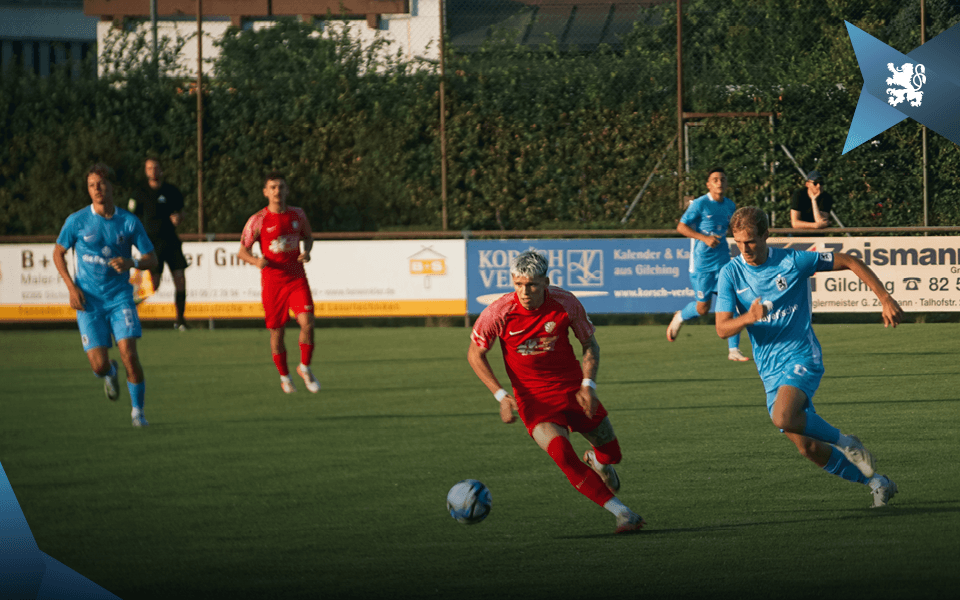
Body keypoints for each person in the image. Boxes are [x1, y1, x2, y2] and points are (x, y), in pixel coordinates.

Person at [715, 206, 902, 507]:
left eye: (750, 240)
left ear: (765, 235)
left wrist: (884, 297)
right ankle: (876, 482)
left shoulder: (793, 261)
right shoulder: (730, 273)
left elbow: (851, 261)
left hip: (802, 355)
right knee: (809, 449)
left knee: (783, 416)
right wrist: (748, 317)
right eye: (738, 242)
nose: (744, 248)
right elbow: (722, 328)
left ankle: (846, 442)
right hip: (769, 370)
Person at [467, 250, 645, 534]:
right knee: (561, 452)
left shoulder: (565, 303)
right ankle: (623, 513)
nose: (525, 292)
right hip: (534, 400)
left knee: (612, 454)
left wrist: (588, 385)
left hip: (574, 390)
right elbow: (475, 354)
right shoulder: (498, 312)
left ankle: (598, 461)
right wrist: (501, 395)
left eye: (533, 284)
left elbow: (590, 346)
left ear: (546, 282)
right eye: (519, 284)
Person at [53, 163, 158, 427]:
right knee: (99, 366)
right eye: (91, 185)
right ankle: (109, 373)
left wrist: (132, 263)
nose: (97, 189)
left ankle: (138, 413)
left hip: (120, 298)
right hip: (89, 302)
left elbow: (151, 258)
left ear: (111, 186)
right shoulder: (77, 221)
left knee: (129, 354)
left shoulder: (129, 221)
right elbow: (58, 253)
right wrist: (71, 287)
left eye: (101, 183)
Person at [237, 171, 321, 394]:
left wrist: (307, 251)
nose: (277, 191)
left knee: (308, 323)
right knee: (277, 333)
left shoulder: (298, 214)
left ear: (287, 190)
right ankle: (284, 376)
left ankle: (304, 367)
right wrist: (256, 260)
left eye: (281, 187)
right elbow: (242, 252)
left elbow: (308, 237)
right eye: (273, 187)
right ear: (265, 192)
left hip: (296, 278)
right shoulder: (258, 220)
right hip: (273, 284)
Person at [666, 167, 750, 361]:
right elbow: (681, 227)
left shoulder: (730, 205)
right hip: (702, 264)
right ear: (709, 184)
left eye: (722, 179)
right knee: (703, 308)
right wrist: (703, 238)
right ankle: (680, 316)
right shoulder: (700, 204)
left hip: (722, 262)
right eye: (715, 180)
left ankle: (734, 350)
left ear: (727, 184)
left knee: (731, 301)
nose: (719, 182)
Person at [130, 157, 189, 330]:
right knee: (152, 285)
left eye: (155, 167)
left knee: (180, 279)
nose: (153, 171)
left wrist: (179, 218)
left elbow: (181, 212)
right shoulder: (139, 192)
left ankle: (180, 321)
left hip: (171, 241)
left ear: (161, 170)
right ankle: (127, 311)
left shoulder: (172, 191)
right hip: (152, 244)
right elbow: (131, 217)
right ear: (146, 171)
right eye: (149, 168)